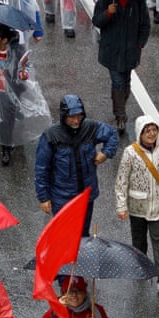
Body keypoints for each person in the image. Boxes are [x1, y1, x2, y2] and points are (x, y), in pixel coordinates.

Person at [116, 116, 159, 293]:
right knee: (139, 240)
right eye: (147, 131)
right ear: (140, 133)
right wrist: (121, 205)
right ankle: (141, 267)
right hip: (137, 207)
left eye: (154, 130)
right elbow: (122, 180)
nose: (151, 134)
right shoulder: (130, 153)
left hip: (158, 206)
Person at [35, 94, 120, 226]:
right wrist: (43, 197)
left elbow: (112, 134)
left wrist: (105, 153)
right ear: (64, 116)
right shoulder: (51, 136)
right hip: (62, 197)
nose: (76, 121)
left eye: (79, 116)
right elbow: (41, 169)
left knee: (84, 236)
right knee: (64, 235)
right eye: (72, 117)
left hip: (86, 196)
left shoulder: (90, 128)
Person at [0, 24, 49, 167]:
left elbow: (25, 67)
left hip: (14, 90)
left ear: (4, 40)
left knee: (8, 118)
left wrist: (23, 75)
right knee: (2, 118)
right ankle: (6, 144)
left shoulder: (17, 50)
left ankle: (7, 146)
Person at [92, 0, 150, 134]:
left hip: (130, 52)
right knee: (118, 82)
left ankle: (119, 107)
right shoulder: (106, 0)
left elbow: (145, 24)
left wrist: (140, 44)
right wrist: (108, 13)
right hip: (111, 51)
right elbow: (97, 21)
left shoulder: (138, 0)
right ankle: (120, 116)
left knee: (125, 82)